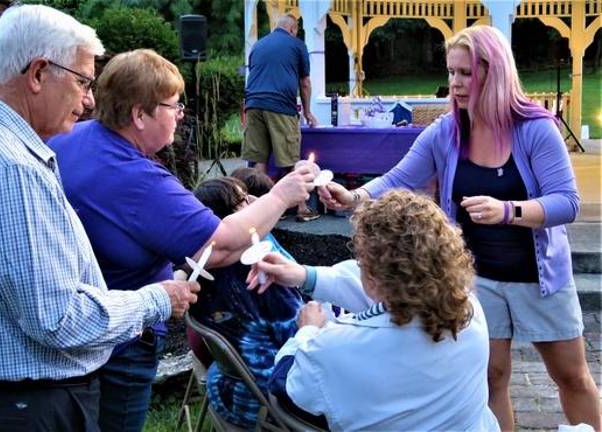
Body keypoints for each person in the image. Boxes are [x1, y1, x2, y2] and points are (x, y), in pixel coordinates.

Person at [319, 25, 600, 431]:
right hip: (478, 277)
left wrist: (508, 211)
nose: (455, 83)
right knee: (492, 378)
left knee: (571, 376)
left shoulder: (536, 129)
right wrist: (354, 196)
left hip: (539, 279)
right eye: (451, 72)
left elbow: (567, 203)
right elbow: (400, 177)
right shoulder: (445, 132)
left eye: (466, 73)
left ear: (495, 71)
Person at [47, 49, 314, 432]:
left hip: (81, 333)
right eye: (173, 105)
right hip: (120, 344)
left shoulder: (72, 138)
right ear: (139, 114)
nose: (181, 114)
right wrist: (282, 195)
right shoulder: (136, 178)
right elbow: (218, 246)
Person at [0, 5, 200, 431]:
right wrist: (159, 299)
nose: (89, 100)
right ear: (37, 74)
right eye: (82, 82)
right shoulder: (11, 169)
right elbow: (57, 319)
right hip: (29, 407)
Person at [248, 189, 499, 431]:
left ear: (373, 275)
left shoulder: (333, 347)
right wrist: (305, 276)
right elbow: (397, 289)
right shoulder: (468, 308)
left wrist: (307, 332)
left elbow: (287, 385)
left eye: (361, 261)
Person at [190, 176, 303, 428]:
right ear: (230, 221)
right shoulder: (262, 281)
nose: (253, 202)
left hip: (224, 390)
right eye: (242, 201)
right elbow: (303, 342)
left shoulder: (196, 278)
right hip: (273, 403)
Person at [242, 13, 320, 222]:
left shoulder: (258, 46)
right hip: (280, 107)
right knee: (289, 159)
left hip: (253, 105)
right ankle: (302, 209)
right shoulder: (296, 45)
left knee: (258, 160)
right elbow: (304, 83)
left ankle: (260, 210)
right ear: (293, 29)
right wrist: (307, 111)